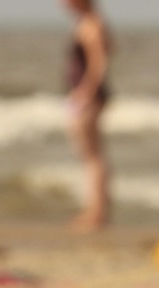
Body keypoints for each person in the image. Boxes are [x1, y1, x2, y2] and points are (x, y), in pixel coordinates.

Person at [62, 0, 112, 232]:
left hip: (88, 98)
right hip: (86, 96)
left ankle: (97, 212)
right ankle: (94, 210)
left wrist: (85, 93)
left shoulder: (92, 24)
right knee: (89, 155)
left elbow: (99, 63)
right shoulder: (88, 23)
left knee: (93, 156)